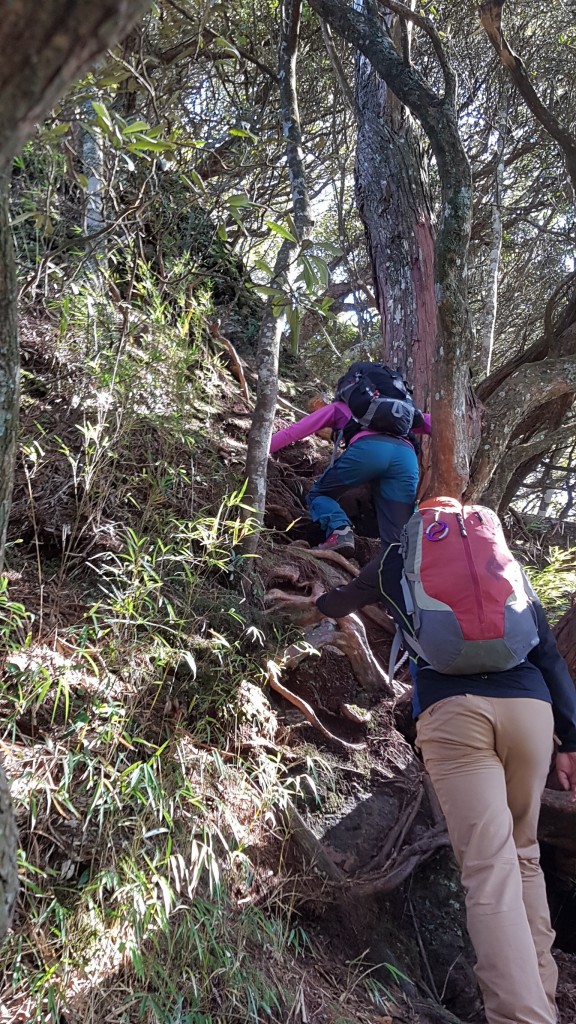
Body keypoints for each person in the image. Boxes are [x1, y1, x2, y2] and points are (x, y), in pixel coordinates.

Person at [288, 542, 576, 1024]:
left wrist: (309, 604)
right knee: (524, 856)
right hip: (530, 712)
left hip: (455, 711)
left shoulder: (400, 554)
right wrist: (569, 738)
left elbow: (341, 601)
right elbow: (546, 650)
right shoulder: (498, 560)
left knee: (488, 866)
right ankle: (542, 1000)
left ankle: (521, 1017)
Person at [270, 398, 431, 556]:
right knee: (399, 536)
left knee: (320, 494)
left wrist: (261, 450)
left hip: (366, 452)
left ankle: (340, 530)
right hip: (406, 459)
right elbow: (435, 424)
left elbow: (295, 431)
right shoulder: (403, 412)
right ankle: (409, 569)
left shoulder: (344, 407)